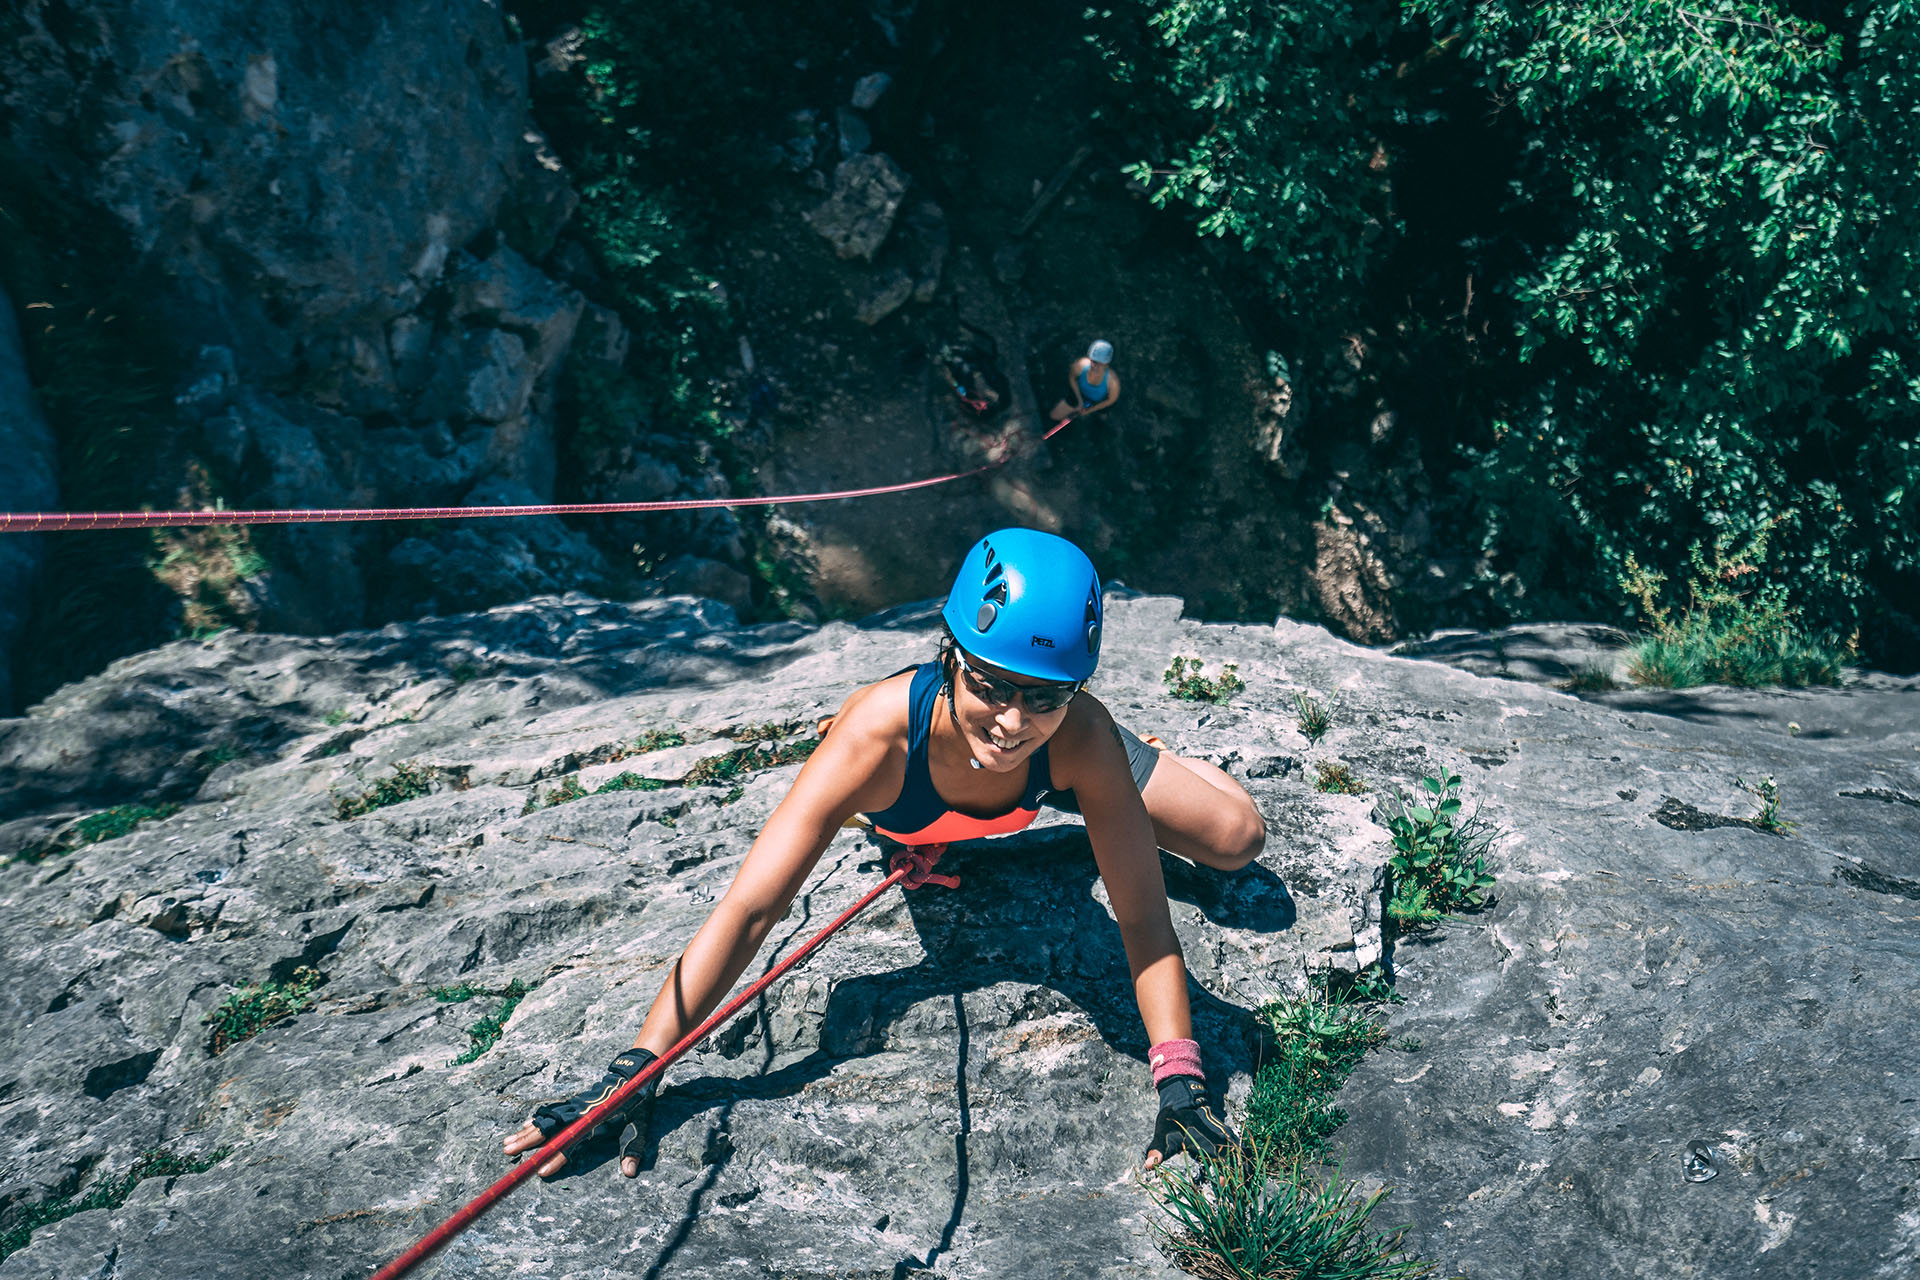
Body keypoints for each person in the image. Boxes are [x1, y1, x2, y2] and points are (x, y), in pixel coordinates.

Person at [503, 528, 1266, 1180]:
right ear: (950, 656)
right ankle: (1110, 788)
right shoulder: (874, 738)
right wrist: (636, 1071)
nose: (1009, 719)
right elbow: (751, 908)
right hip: (975, 796)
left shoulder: (1078, 731)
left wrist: (1180, 1076)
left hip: (1064, 775)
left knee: (1235, 841)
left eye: (1044, 694)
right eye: (991, 685)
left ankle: (1151, 764)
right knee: (1024, 771)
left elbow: (1140, 917)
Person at [1047, 339, 1121, 425]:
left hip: (1100, 401)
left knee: (1101, 420)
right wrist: (1079, 401)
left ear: (1107, 364)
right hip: (1080, 394)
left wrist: (1090, 410)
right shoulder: (1080, 365)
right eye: (1093, 361)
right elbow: (1072, 379)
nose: (1094, 366)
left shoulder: (1113, 382)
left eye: (1099, 363)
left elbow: (1110, 400)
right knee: (1053, 416)